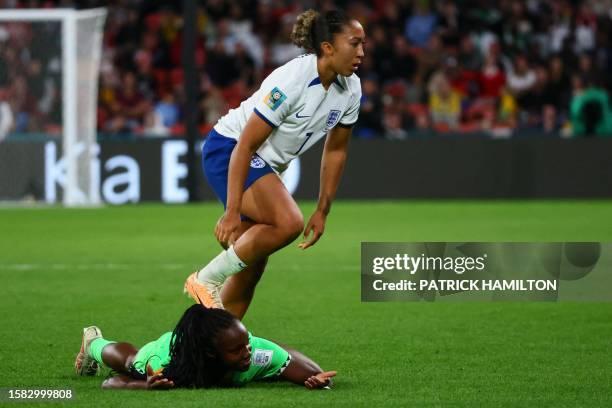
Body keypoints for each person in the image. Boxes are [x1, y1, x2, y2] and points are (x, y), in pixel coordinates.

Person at [184, 9, 365, 318]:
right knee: (288, 222)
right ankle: (205, 279)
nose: (361, 52)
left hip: (262, 164)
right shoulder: (292, 80)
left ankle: (218, 349)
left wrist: (322, 210)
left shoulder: (350, 90)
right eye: (354, 43)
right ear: (328, 47)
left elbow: (335, 151)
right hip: (228, 149)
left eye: (363, 44)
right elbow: (245, 144)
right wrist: (231, 211)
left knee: (250, 270)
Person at [74, 304, 336, 390]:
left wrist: (315, 381)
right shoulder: (169, 368)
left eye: (246, 344)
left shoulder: (256, 353)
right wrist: (144, 384)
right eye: (236, 350)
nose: (247, 353)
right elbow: (111, 384)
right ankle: (94, 343)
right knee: (131, 361)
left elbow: (312, 371)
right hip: (169, 352)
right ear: (212, 353)